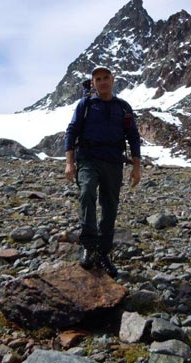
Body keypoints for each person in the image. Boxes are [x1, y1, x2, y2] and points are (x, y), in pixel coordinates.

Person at [64, 65, 142, 277]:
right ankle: (88, 244)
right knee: (87, 192)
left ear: (113, 79)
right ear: (93, 83)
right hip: (88, 158)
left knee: (110, 205)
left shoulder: (123, 107)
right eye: (98, 79)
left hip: (114, 162)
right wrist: (69, 162)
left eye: (106, 77)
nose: (102, 81)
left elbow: (133, 136)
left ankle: (103, 252)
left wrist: (136, 166)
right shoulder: (86, 104)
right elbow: (71, 131)